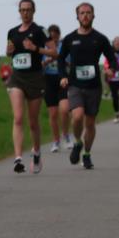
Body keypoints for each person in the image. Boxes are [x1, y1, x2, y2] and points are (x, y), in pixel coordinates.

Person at [58, 3, 118, 170]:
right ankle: (78, 142)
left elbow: (111, 58)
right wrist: (62, 76)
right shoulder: (70, 39)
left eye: (88, 13)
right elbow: (61, 59)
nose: (85, 16)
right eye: (82, 13)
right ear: (77, 17)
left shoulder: (100, 38)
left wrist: (111, 69)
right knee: (77, 117)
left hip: (93, 86)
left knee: (90, 123)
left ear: (93, 16)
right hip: (75, 85)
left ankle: (87, 154)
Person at [6, 0, 56, 173]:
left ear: (34, 11)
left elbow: (54, 52)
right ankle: (18, 158)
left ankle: (36, 152)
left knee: (33, 122)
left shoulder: (39, 30)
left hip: (35, 78)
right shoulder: (12, 32)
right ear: (19, 12)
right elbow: (10, 53)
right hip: (17, 78)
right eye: (22, 10)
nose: (25, 13)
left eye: (28, 9)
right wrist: (9, 51)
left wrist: (36, 49)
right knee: (18, 117)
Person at [42, 24, 71, 152]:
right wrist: (48, 60)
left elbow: (71, 62)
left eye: (56, 37)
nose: (53, 40)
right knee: (53, 114)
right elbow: (39, 66)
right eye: (51, 37)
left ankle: (66, 135)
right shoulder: (43, 48)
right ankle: (56, 140)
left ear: (59, 36)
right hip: (48, 80)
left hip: (62, 79)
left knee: (64, 110)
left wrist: (61, 59)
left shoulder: (64, 46)